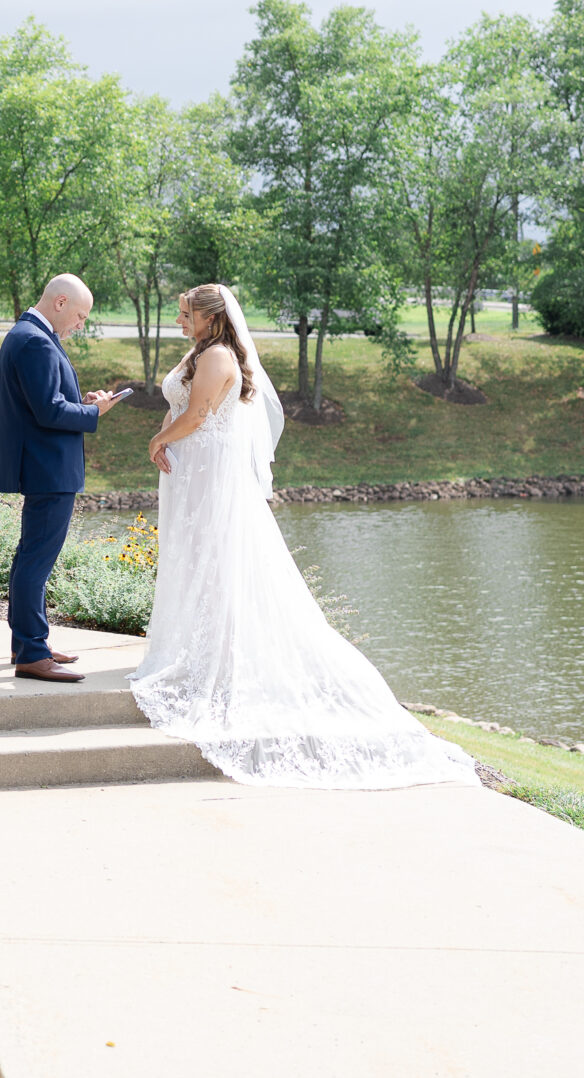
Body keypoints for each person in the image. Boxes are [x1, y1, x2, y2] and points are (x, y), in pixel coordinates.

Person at [131, 283, 477, 787]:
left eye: (186, 313)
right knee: (194, 561)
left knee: (220, 561)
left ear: (209, 318)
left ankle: (223, 663)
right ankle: (196, 651)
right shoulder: (200, 352)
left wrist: (158, 439)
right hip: (191, 470)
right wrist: (166, 439)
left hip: (211, 472)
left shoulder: (219, 357)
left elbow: (200, 414)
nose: (179, 319)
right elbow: (182, 404)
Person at [0, 273, 127, 682]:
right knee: (36, 560)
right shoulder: (35, 339)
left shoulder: (28, 333)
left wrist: (81, 403)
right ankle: (32, 652)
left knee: (29, 557)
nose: (82, 324)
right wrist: (95, 412)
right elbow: (49, 411)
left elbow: (46, 402)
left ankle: (28, 642)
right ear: (61, 302)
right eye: (82, 316)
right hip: (48, 468)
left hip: (41, 465)